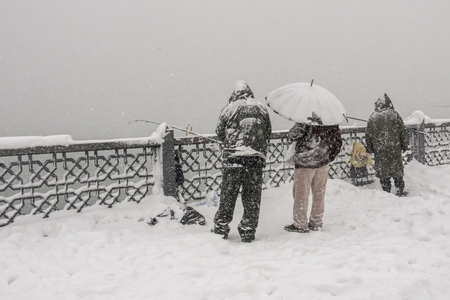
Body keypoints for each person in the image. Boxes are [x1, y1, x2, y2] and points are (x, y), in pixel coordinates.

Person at [212, 81, 272, 243]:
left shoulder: (229, 108)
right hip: (255, 159)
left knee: (228, 195)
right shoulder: (260, 108)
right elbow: (268, 132)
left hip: (234, 159)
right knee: (252, 197)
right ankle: (248, 230)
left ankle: (221, 227)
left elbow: (220, 133)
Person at [284, 120, 342, 233]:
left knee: (301, 193)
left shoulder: (305, 118)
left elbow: (293, 136)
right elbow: (338, 142)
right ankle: (316, 222)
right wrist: (328, 157)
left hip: (305, 162)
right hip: (323, 162)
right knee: (319, 193)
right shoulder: (330, 120)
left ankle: (300, 224)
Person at [365, 93, 408, 196]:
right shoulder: (394, 115)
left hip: (380, 149)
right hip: (394, 147)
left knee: (384, 173)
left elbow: (368, 135)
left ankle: (386, 192)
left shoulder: (373, 117)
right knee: (397, 171)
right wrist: (404, 145)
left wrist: (370, 148)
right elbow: (402, 131)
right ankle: (399, 190)